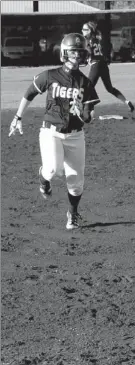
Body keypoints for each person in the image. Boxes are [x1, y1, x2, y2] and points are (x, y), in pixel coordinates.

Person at [8, 33, 100, 230]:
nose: (76, 56)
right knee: (52, 169)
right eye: (73, 52)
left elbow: (90, 116)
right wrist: (18, 117)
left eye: (80, 52)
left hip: (76, 134)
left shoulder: (85, 83)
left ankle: (73, 214)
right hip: (50, 131)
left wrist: (82, 114)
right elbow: (29, 93)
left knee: (76, 182)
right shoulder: (50, 75)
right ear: (65, 53)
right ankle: (43, 178)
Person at [81, 20, 135, 113]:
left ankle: (88, 110)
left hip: (96, 65)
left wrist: (86, 57)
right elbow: (109, 48)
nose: (82, 30)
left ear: (89, 31)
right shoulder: (99, 38)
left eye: (84, 29)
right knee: (109, 88)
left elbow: (89, 52)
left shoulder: (87, 41)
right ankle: (126, 101)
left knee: (88, 88)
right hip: (103, 64)